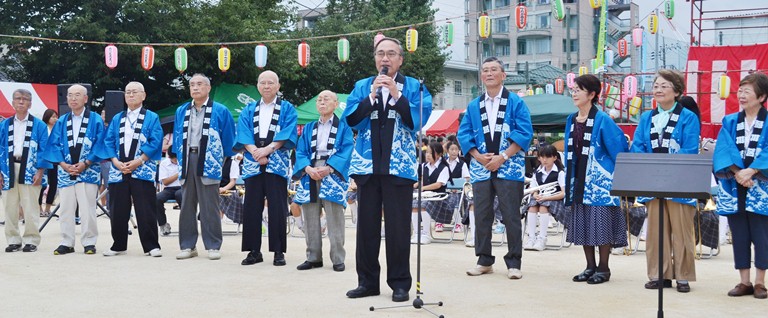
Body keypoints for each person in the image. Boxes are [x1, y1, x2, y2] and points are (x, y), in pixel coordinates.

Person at [343, 37, 432, 303]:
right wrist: (372, 95)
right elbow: (351, 120)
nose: (385, 59)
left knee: (398, 228)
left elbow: (418, 121)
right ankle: (367, 282)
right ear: (375, 58)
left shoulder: (415, 87)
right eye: (381, 54)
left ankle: (400, 283)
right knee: (366, 228)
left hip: (399, 167)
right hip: (367, 167)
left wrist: (396, 94)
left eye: (391, 54)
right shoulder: (362, 86)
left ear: (400, 59)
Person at [457, 56, 533, 280]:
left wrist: (503, 156)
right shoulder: (474, 105)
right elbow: (464, 133)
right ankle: (484, 260)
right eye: (485, 70)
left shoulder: (516, 102)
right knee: (481, 214)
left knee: (510, 215)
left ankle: (514, 262)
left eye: (493, 70)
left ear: (503, 75)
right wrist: (477, 156)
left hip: (509, 166)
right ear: (481, 76)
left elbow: (525, 131)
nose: (489, 73)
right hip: (481, 168)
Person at [631, 69, 700, 292]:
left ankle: (683, 275)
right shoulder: (646, 117)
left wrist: (668, 166)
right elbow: (638, 145)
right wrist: (650, 166)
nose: (658, 90)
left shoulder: (688, 117)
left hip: (680, 180)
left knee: (681, 230)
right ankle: (658, 274)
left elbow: (690, 149)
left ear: (677, 91)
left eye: (664, 86)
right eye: (656, 86)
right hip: (653, 180)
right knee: (656, 232)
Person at [564, 75, 628, 284]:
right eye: (573, 90)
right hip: (578, 180)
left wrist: (608, 173)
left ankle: (604, 267)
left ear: (592, 95)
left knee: (600, 224)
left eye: (578, 90)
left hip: (599, 182)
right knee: (583, 222)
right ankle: (590, 266)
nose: (574, 93)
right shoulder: (571, 120)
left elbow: (618, 148)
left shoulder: (603, 120)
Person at [714, 72, 768, 299]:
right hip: (735, 183)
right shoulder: (729, 121)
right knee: (740, 233)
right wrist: (738, 172)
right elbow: (723, 149)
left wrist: (753, 170)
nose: (741, 95)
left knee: (762, 233)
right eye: (740, 90)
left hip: (762, 184)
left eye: (747, 91)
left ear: (762, 96)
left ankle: (760, 282)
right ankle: (744, 281)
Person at [236, 70, 297, 266]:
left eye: (271, 82)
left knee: (278, 206)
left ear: (278, 86)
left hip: (276, 160)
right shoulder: (248, 109)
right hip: (253, 161)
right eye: (263, 82)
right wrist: (256, 152)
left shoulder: (287, 108)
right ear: (257, 86)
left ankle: (278, 251)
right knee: (252, 207)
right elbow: (243, 132)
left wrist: (268, 150)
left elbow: (288, 132)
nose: (267, 86)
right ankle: (254, 251)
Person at [173, 73, 236, 260]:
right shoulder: (182, 110)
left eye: (199, 84)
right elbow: (177, 137)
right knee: (186, 204)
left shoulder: (220, 110)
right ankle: (187, 245)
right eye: (192, 84)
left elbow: (228, 141)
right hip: (187, 158)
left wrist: (220, 162)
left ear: (208, 88)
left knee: (210, 204)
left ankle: (213, 245)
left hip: (209, 160)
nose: (195, 88)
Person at [98, 81, 163, 257]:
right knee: (117, 208)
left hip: (142, 166)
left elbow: (155, 140)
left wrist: (139, 160)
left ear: (143, 95)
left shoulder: (152, 117)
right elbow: (108, 141)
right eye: (128, 92)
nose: (131, 95)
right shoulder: (118, 118)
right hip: (119, 167)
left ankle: (151, 245)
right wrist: (115, 161)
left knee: (145, 208)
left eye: (135, 92)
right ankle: (118, 244)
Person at [292, 90, 353, 272]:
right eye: (319, 99)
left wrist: (329, 168)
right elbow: (301, 151)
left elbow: (347, 149)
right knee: (310, 214)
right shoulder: (309, 127)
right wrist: (307, 168)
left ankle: (337, 258)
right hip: (311, 169)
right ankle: (313, 257)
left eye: (326, 99)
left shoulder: (343, 127)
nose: (322, 102)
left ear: (335, 104)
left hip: (332, 170)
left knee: (335, 216)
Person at [44, 84, 105, 255]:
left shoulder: (95, 119)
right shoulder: (62, 121)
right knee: (66, 208)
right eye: (70, 95)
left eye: (77, 95)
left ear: (86, 98)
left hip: (88, 170)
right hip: (66, 171)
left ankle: (89, 242)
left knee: (88, 208)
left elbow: (100, 144)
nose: (73, 98)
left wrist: (86, 163)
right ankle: (67, 241)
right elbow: (54, 144)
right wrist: (63, 164)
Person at [0, 88, 51, 253]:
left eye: (25, 99)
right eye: (18, 98)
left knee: (30, 206)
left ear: (30, 103)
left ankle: (31, 240)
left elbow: (44, 149)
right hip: (8, 167)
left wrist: (41, 171)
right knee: (9, 206)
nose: (21, 101)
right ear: (13, 102)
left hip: (30, 168)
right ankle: (13, 240)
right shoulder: (4, 125)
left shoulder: (39, 125)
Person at [523, 144, 565, 252]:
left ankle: (542, 238)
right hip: (541, 198)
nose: (544, 160)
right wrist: (535, 194)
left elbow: (563, 193)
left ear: (555, 157)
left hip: (555, 199)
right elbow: (534, 188)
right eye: (542, 157)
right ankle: (531, 237)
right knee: (532, 206)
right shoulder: (537, 172)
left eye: (548, 157)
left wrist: (548, 197)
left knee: (543, 207)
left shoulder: (560, 173)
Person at [411, 141, 454, 245]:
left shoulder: (444, 168)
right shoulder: (423, 166)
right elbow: (420, 180)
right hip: (426, 196)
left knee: (424, 205)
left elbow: (438, 185)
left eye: (431, 153)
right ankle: (417, 233)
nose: (428, 155)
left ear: (439, 155)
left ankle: (426, 234)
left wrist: (423, 188)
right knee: (414, 205)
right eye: (427, 153)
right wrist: (414, 185)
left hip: (440, 198)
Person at [156, 150, 182, 235]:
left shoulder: (184, 161)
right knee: (157, 198)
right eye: (173, 159)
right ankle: (163, 224)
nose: (175, 161)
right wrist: (179, 174)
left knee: (180, 195)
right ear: (169, 157)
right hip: (169, 189)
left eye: (176, 159)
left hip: (182, 188)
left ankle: (186, 224)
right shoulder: (164, 163)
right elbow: (165, 182)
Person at [38, 109, 58, 217]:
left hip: (54, 160)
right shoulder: (42, 128)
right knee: (42, 184)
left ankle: (48, 208)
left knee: (53, 184)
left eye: (56, 116)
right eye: (53, 117)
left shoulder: (58, 129)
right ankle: (39, 207)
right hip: (44, 159)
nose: (55, 119)